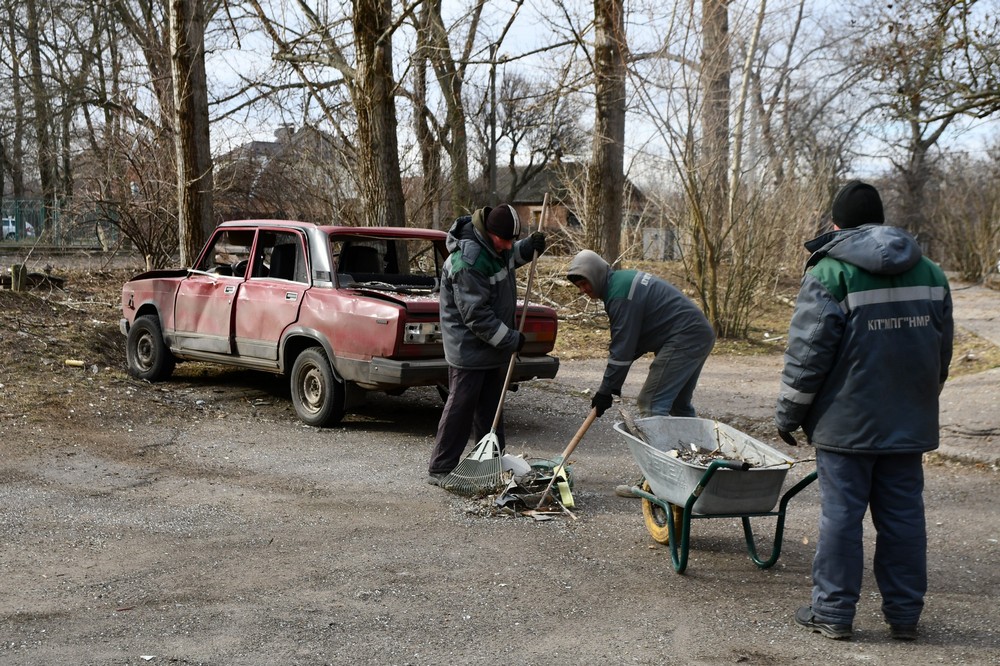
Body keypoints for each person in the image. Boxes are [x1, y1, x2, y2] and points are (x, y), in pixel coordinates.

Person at [775, 180, 953, 642]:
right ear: (881, 219)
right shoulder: (931, 273)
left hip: (845, 424)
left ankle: (833, 613)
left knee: (841, 517)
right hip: (907, 423)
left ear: (836, 225)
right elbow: (941, 353)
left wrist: (789, 415)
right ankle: (904, 616)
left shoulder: (831, 272)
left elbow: (808, 354)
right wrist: (920, 400)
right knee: (903, 518)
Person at [566, 250, 716, 496]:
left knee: (651, 402)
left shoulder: (619, 295)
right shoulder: (621, 283)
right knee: (679, 406)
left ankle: (657, 483)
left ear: (595, 274)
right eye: (578, 286)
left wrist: (606, 389)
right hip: (697, 333)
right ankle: (704, 473)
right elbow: (631, 342)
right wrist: (612, 386)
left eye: (584, 282)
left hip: (685, 337)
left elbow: (623, 348)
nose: (583, 290)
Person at [427, 204, 546, 485]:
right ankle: (441, 468)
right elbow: (476, 316)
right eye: (505, 240)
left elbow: (508, 258)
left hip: (492, 348)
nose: (508, 246)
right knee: (461, 407)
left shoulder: (495, 248)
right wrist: (511, 339)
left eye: (512, 241)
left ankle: (490, 463)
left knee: (492, 409)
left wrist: (528, 247)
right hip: (468, 348)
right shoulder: (467, 262)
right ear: (490, 233)